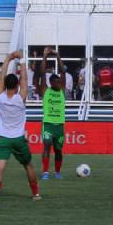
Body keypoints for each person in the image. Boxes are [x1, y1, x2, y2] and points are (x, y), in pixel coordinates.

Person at [0, 51, 40, 201]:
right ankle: (35, 193)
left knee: (0, 166)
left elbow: (1, 77)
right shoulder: (20, 98)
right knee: (28, 165)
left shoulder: (0, 97)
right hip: (18, 138)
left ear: (5, 84)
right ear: (17, 85)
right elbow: (24, 78)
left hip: (4, 137)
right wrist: (22, 59)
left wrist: (8, 58)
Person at [36, 47, 67, 180]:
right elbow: (42, 73)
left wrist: (58, 56)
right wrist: (44, 56)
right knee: (47, 147)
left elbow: (62, 71)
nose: (60, 83)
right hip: (48, 124)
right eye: (57, 82)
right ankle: (45, 172)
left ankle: (58, 172)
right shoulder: (45, 90)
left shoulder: (62, 91)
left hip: (59, 125)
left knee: (58, 150)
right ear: (51, 82)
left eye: (60, 82)